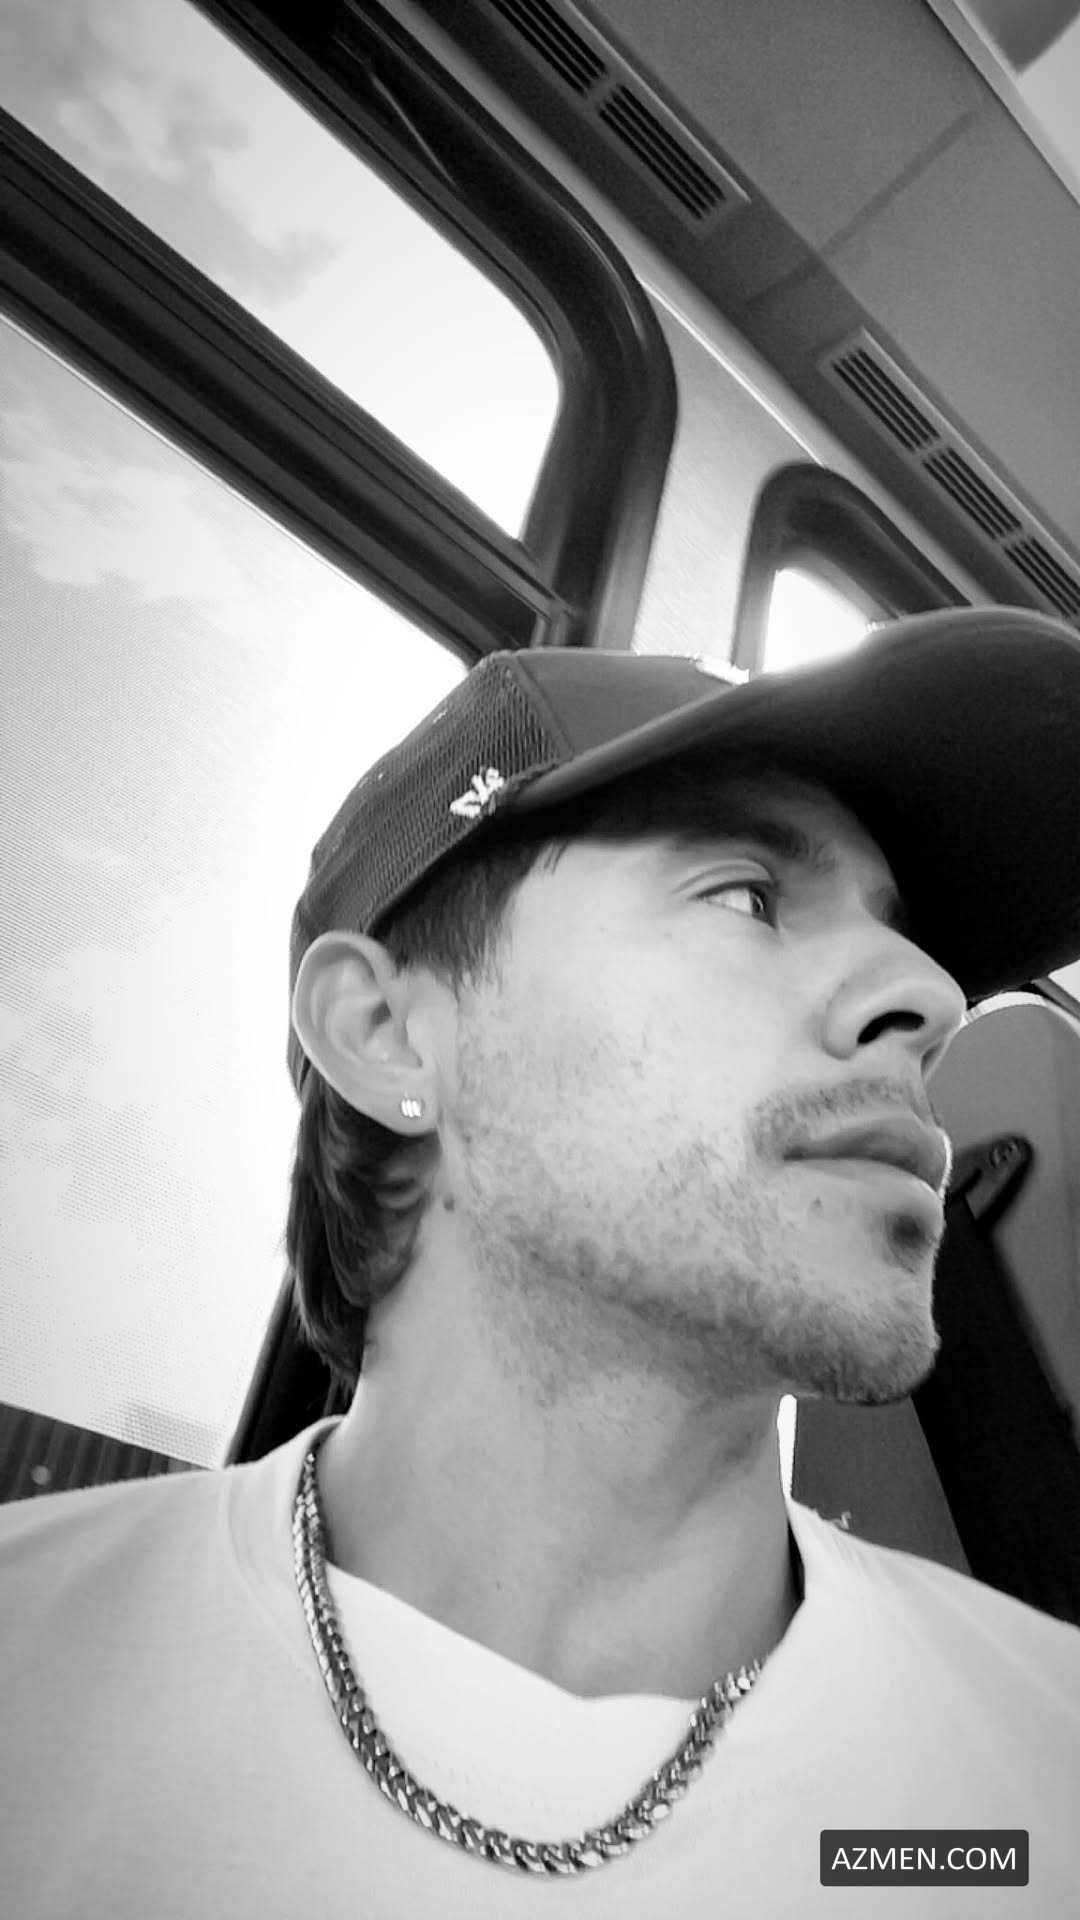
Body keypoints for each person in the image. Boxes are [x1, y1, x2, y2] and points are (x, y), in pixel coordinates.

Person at [3, 607, 1080, 1918]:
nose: (934, 999)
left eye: (909, 934)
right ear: (387, 1034)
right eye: (745, 894)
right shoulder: (31, 1683)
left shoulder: (1042, 1789)